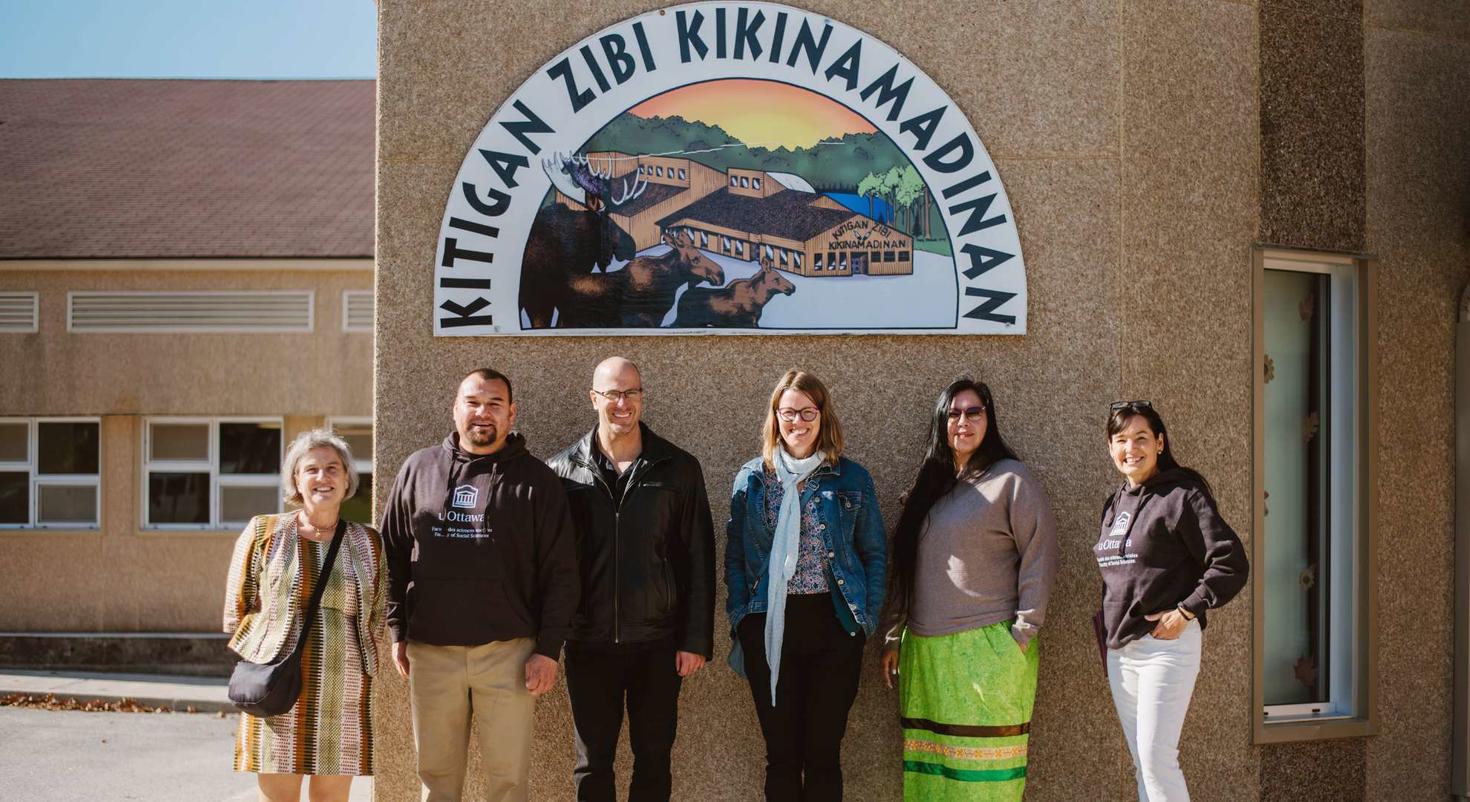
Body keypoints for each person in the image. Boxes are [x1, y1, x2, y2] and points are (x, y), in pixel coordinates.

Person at [379, 368, 580, 802]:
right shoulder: (418, 469)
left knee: (508, 780)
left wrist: (548, 649)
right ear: (455, 409)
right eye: (472, 402)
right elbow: (391, 556)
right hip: (431, 651)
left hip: (507, 652)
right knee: (436, 777)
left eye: (493, 404)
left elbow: (561, 571)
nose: (482, 413)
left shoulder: (537, 481)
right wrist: (398, 630)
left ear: (511, 413)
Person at [879, 379, 1058, 801]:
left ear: (989, 419)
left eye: (974, 412)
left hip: (988, 650)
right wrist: (892, 635)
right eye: (954, 414)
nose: (964, 421)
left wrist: (1022, 633)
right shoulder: (930, 485)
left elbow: (1040, 555)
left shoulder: (1012, 479)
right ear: (942, 423)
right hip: (925, 653)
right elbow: (905, 566)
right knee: (933, 779)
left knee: (983, 784)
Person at [547, 357, 715, 802]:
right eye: (613, 393)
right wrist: (548, 640)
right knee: (592, 762)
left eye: (632, 393)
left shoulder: (678, 468)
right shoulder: (561, 473)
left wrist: (695, 639)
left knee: (654, 757)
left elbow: (698, 558)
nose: (623, 403)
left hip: (658, 642)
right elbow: (550, 567)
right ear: (594, 398)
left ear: (642, 397)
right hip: (588, 642)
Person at [724, 369, 887, 802]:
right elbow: (736, 558)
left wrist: (863, 623)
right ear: (775, 417)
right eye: (788, 412)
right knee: (781, 756)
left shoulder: (851, 478)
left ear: (822, 416)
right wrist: (742, 620)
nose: (798, 421)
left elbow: (874, 554)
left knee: (823, 755)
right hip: (770, 626)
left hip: (834, 624)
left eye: (807, 412)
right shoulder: (752, 478)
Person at [1096, 401, 1248, 801]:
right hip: (1122, 653)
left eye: (1141, 438)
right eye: (1121, 440)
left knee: (1156, 758)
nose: (1132, 448)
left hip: (1166, 647)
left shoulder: (1183, 495)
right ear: (1111, 448)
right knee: (1142, 762)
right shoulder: (1114, 505)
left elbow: (1230, 563)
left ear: (1160, 443)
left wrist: (1186, 611)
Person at [224, 429, 384, 802]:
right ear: (296, 480)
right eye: (311, 469)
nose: (322, 477)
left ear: (347, 480)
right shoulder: (264, 531)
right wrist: (266, 654)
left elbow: (377, 611)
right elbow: (237, 608)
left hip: (342, 689)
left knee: (332, 798)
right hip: (276, 685)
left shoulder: (368, 541)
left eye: (333, 468)